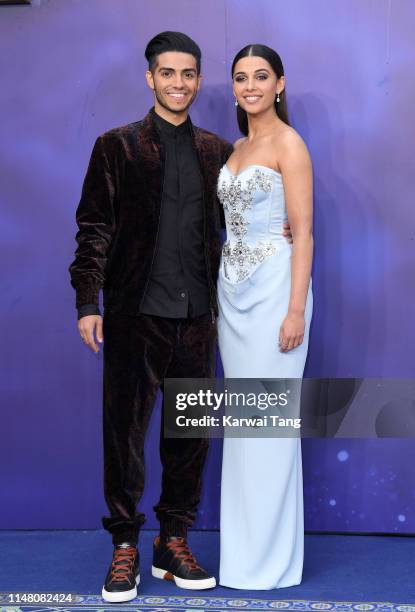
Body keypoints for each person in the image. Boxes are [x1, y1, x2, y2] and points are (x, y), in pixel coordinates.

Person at [69, 31, 234, 602]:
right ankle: (124, 547)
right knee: (125, 436)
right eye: (168, 73)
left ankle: (173, 540)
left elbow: (236, 226)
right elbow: (94, 227)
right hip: (136, 313)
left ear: (197, 78)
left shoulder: (218, 152)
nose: (180, 84)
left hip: (199, 317)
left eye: (189, 73)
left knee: (189, 437)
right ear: (150, 78)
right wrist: (88, 301)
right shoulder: (116, 146)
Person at [217, 45, 314, 589]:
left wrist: (295, 308)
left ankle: (271, 564)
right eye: (240, 78)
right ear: (232, 87)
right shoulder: (235, 147)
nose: (249, 85)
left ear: (279, 83)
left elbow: (304, 233)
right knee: (244, 428)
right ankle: (243, 558)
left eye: (260, 76)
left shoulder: (289, 144)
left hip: (277, 294)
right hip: (232, 297)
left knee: (271, 426)